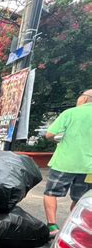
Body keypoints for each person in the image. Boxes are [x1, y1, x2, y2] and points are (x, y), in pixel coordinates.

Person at [43, 89, 92, 237]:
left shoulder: (71, 113)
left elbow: (49, 134)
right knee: (80, 199)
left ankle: (52, 227)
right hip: (88, 167)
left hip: (65, 162)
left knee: (51, 193)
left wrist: (59, 138)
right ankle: (71, 228)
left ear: (84, 99)